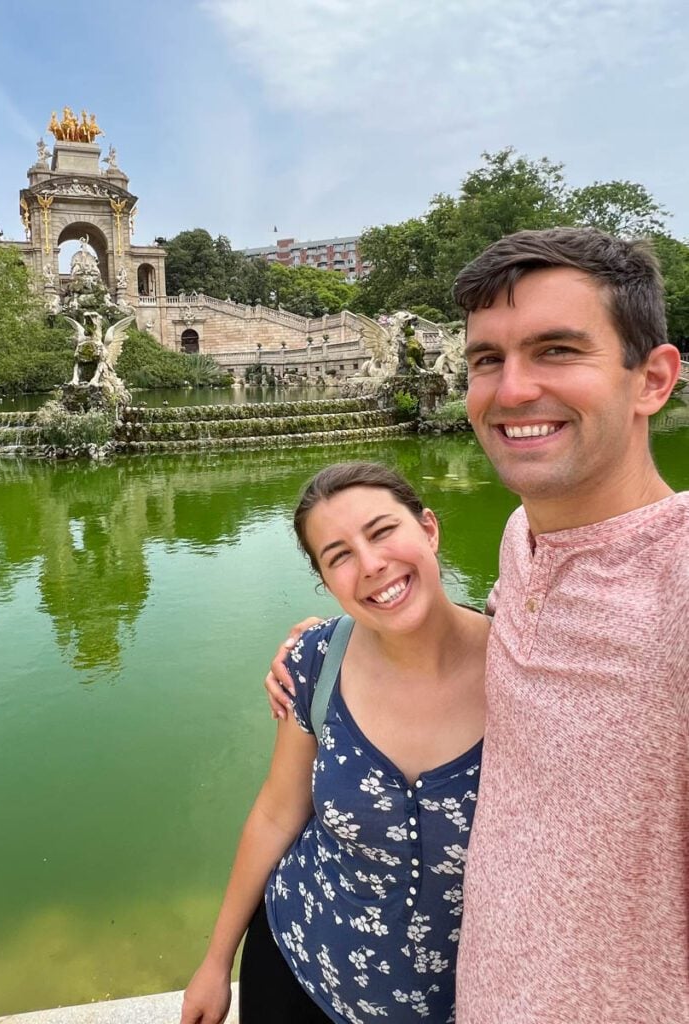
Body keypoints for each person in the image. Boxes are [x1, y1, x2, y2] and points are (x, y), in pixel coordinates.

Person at [266, 228, 689, 1022]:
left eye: (557, 350)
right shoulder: (523, 542)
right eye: (488, 360)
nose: (512, 390)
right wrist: (335, 643)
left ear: (652, 380)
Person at [182, 462, 489, 1024]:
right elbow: (277, 814)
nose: (371, 565)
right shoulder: (316, 661)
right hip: (300, 965)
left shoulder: (524, 667)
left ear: (429, 528)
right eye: (339, 555)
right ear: (326, 583)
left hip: (462, 1002)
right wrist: (214, 962)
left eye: (382, 532)